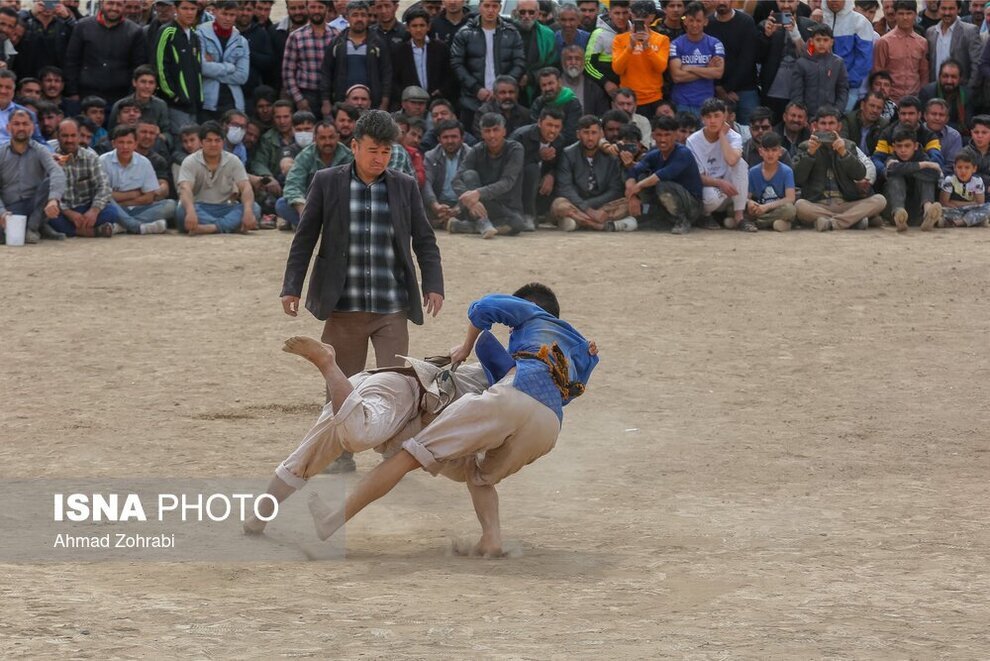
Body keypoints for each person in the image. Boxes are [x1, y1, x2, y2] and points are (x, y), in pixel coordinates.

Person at [304, 283, 599, 557]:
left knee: (409, 455)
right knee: (480, 475)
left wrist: (465, 347)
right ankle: (492, 539)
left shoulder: (533, 313)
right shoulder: (581, 347)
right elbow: (570, 392)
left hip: (515, 394)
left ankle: (331, 522)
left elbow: (481, 307)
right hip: (548, 427)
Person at [281, 110, 443, 473]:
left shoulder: (403, 185)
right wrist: (291, 286)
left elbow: (425, 239)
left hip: (391, 305)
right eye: (372, 150)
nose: (379, 159)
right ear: (353, 146)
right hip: (343, 306)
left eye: (386, 152)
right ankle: (340, 452)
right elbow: (304, 237)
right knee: (341, 380)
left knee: (398, 384)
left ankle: (393, 452)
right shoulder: (326, 181)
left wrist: (433, 283)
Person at [239, 338, 488, 537]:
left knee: (306, 456)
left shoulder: (491, 395)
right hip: (404, 393)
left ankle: (258, 519)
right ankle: (327, 364)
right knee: (358, 435)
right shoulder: (502, 384)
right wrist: (467, 344)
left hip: (369, 391)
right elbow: (487, 310)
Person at [794, 105, 888, 231]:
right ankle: (853, 220)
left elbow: (860, 174)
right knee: (800, 206)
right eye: (823, 123)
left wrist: (843, 153)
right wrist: (810, 154)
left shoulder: (848, 146)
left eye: (831, 123)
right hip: (818, 203)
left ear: (839, 126)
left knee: (880, 200)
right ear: (815, 126)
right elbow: (797, 179)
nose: (827, 128)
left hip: (846, 202)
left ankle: (833, 223)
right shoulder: (806, 146)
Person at [550, 114, 635, 232]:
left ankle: (578, 222)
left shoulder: (611, 157)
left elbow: (614, 190)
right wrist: (589, 210)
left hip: (600, 205)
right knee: (559, 204)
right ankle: (599, 226)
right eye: (586, 133)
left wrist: (590, 207)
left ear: (601, 134)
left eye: (594, 133)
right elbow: (565, 188)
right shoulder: (568, 154)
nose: (590, 138)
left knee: (628, 203)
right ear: (578, 134)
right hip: (575, 203)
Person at [449, 0, 525, 131]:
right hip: (472, 100)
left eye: (494, 6)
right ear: (480, 7)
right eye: (487, 6)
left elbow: (519, 62)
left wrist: (503, 88)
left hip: (504, 101)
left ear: (500, 8)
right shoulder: (465, 33)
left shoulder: (512, 33)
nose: (490, 10)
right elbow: (456, 64)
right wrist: (476, 89)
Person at [176, 120, 260, 234]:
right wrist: (190, 211)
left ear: (223, 142)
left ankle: (210, 228)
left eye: (217, 140)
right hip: (198, 207)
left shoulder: (233, 160)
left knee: (254, 208)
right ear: (201, 142)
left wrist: (248, 211)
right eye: (209, 140)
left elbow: (246, 187)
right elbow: (185, 188)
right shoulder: (190, 161)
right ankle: (229, 226)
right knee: (182, 211)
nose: (213, 144)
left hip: (225, 207)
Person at [449, 112, 525, 238]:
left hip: (505, 205)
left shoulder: (515, 149)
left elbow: (507, 182)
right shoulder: (476, 150)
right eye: (487, 131)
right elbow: (456, 180)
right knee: (469, 175)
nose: (492, 135)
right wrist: (471, 201)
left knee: (517, 224)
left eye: (496, 130)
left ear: (504, 131)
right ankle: (483, 223)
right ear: (482, 133)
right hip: (479, 205)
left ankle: (467, 226)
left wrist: (478, 193)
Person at [625, 114, 704, 234]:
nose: (663, 139)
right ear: (653, 136)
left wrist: (637, 187)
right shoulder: (654, 154)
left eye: (667, 135)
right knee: (642, 178)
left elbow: (662, 175)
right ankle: (657, 217)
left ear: (676, 135)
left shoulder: (683, 153)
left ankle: (682, 220)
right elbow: (634, 171)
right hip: (667, 200)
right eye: (659, 135)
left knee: (661, 185)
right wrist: (632, 195)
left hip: (692, 206)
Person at [64, 0, 147, 109]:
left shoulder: (135, 31)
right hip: (85, 95)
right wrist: (72, 92)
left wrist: (131, 97)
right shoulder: (82, 26)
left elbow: (137, 67)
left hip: (119, 98)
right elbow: (72, 61)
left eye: (119, 4)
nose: (114, 8)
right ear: (102, 3)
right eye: (110, 3)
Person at [0, 108, 65, 244]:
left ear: (32, 128)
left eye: (25, 124)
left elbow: (56, 171)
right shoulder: (1, 153)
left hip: (35, 205)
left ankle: (32, 228)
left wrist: (54, 199)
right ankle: (40, 227)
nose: (21, 128)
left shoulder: (41, 150)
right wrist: (1, 212)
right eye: (16, 124)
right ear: (8, 127)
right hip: (10, 208)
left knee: (50, 182)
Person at [276, 119, 354, 229]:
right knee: (282, 204)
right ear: (315, 139)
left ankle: (309, 227)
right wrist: (301, 208)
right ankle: (317, 226)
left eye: (331, 137)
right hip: (311, 206)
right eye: (322, 138)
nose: (327, 142)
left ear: (337, 137)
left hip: (338, 206)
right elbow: (293, 185)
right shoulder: (305, 156)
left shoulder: (348, 156)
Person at [49, 118, 118, 239]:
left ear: (79, 136)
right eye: (65, 136)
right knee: (50, 217)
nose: (69, 140)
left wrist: (94, 211)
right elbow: (47, 192)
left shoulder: (90, 157)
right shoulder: (49, 158)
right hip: (63, 210)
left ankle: (74, 230)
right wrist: (68, 213)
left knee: (111, 212)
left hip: (87, 207)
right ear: (58, 137)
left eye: (73, 135)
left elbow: (104, 186)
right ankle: (90, 232)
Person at [101, 125, 176, 234]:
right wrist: (133, 194)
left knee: (171, 205)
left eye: (129, 143)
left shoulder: (144, 162)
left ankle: (122, 225)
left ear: (135, 144)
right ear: (113, 144)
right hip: (113, 207)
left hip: (138, 208)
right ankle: (137, 227)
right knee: (104, 203)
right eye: (121, 142)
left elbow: (149, 197)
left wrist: (122, 202)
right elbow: (104, 195)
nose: (125, 147)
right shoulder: (103, 161)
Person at [320, 0, 392, 114]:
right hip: (342, 103)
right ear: (347, 17)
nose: (359, 19)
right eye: (355, 15)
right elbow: (326, 73)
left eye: (363, 15)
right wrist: (326, 101)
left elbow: (386, 74)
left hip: (372, 105)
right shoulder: (337, 43)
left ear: (368, 17)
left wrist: (384, 102)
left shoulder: (378, 44)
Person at [686, 98, 748, 230]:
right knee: (710, 198)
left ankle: (739, 216)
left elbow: (732, 160)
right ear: (702, 119)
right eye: (708, 116)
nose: (712, 121)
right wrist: (720, 183)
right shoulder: (693, 141)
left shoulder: (734, 136)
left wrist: (722, 136)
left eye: (716, 116)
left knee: (741, 164)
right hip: (710, 188)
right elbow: (698, 177)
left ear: (724, 116)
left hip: (729, 187)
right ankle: (705, 216)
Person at [154, 0, 204, 140]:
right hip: (176, 105)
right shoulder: (167, 31)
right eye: (185, 8)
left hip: (193, 104)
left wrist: (199, 97)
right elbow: (160, 66)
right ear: (176, 9)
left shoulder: (194, 35)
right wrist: (173, 95)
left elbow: (197, 70)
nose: (189, 12)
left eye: (193, 9)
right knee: (180, 144)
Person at [610, 0, 669, 118]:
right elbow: (617, 69)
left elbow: (661, 67)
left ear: (652, 17)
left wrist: (647, 47)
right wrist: (630, 47)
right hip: (628, 100)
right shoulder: (619, 39)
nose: (641, 20)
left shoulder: (662, 39)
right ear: (631, 15)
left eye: (645, 16)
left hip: (654, 98)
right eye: (637, 16)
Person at [704, 0, 760, 123]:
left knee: (752, 129)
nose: (721, 2)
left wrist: (726, 89)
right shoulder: (707, 23)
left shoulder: (746, 22)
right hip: (715, 90)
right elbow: (707, 59)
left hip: (745, 88)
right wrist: (719, 88)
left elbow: (748, 59)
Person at [510, 107, 566, 228]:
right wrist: (538, 156)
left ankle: (547, 214)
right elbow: (510, 166)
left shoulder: (560, 141)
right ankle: (527, 215)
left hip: (542, 189)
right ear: (540, 123)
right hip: (518, 186)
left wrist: (552, 175)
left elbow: (561, 165)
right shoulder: (521, 136)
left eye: (557, 127)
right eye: (549, 125)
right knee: (532, 169)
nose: (552, 130)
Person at [667, 1, 724, 117]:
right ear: (685, 22)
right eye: (691, 20)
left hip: (707, 104)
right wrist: (707, 69)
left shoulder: (716, 44)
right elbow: (677, 77)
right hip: (681, 103)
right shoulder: (675, 44)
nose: (694, 24)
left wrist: (690, 67)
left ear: (705, 22)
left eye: (698, 21)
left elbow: (718, 73)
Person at [882, 126, 945, 230]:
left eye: (907, 146)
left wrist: (903, 169)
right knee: (896, 178)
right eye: (899, 146)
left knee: (926, 178)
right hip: (893, 208)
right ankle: (899, 214)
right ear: (894, 147)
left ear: (915, 146)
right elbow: (891, 171)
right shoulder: (892, 158)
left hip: (917, 208)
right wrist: (924, 165)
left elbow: (935, 174)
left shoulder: (922, 156)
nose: (903, 150)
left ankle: (928, 211)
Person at [281, 0, 337, 117]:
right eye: (313, 7)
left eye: (320, 7)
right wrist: (299, 99)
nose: (316, 11)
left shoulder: (336, 35)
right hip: (306, 95)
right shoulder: (296, 37)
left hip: (332, 95)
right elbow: (288, 72)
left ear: (327, 9)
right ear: (307, 8)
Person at [390, 7, 452, 108]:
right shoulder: (399, 51)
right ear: (408, 28)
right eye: (414, 26)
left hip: (436, 102)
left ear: (428, 27)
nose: (418, 30)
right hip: (410, 104)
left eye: (422, 25)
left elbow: (450, 75)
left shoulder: (440, 48)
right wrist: (405, 97)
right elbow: (394, 80)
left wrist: (441, 91)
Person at [198, 0, 249, 119]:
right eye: (224, 14)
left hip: (233, 102)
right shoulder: (201, 34)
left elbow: (242, 76)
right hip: (207, 102)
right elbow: (201, 67)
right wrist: (230, 67)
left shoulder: (241, 42)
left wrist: (213, 69)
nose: (228, 19)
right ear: (215, 12)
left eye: (232, 15)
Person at [872, 0, 929, 101]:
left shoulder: (922, 43)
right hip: (890, 99)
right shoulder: (884, 42)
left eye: (909, 13)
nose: (905, 17)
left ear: (915, 15)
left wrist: (922, 97)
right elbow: (878, 73)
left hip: (915, 99)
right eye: (901, 14)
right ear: (895, 15)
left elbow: (924, 73)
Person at [822, 0, 875, 108]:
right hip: (821, 85)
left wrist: (849, 81)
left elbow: (865, 59)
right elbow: (810, 52)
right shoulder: (818, 20)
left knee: (842, 120)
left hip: (849, 87)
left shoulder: (860, 22)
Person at [792, 24, 850, 117]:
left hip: (830, 116)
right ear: (811, 41)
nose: (822, 43)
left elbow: (842, 89)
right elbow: (797, 93)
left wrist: (837, 111)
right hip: (807, 116)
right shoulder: (801, 63)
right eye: (818, 40)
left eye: (825, 40)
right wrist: (801, 115)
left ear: (831, 42)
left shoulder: (837, 63)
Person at [744, 132, 797, 231]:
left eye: (774, 150)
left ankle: (756, 223)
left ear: (780, 152)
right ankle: (776, 224)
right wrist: (750, 203)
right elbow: (746, 197)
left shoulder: (787, 171)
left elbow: (790, 198)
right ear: (760, 152)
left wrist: (766, 207)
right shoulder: (753, 171)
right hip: (759, 208)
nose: (770, 154)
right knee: (735, 208)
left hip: (777, 208)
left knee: (790, 210)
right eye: (767, 150)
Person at [422, 118, 469, 227]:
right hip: (438, 203)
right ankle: (446, 222)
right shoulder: (430, 156)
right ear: (439, 139)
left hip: (462, 204)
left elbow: (473, 186)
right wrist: (435, 205)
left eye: (454, 137)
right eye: (445, 137)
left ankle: (446, 222)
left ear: (462, 138)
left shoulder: (470, 154)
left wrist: (457, 209)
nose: (450, 141)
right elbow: (427, 183)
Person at [925, 0, 983, 86]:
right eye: (944, 8)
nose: (947, 12)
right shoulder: (931, 32)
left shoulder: (970, 31)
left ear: (958, 10)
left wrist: (969, 91)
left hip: (961, 91)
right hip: (937, 91)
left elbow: (977, 65)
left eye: (951, 9)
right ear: (938, 9)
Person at [584, 0, 630, 99]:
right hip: (605, 92)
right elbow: (587, 64)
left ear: (629, 12)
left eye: (625, 13)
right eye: (617, 13)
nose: (621, 17)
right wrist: (605, 82)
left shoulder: (634, 32)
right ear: (609, 13)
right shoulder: (599, 34)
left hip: (630, 91)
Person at [109, 65, 171, 138]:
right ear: (134, 82)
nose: (147, 86)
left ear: (155, 86)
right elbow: (111, 133)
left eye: (151, 83)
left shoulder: (161, 105)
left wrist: (158, 134)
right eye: (143, 82)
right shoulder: (120, 105)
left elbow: (168, 135)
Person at [514, 0, 557, 103]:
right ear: (516, 13)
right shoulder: (507, 32)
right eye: (522, 12)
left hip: (538, 91)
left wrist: (530, 77)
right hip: (509, 88)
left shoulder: (548, 35)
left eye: (531, 12)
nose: (527, 16)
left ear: (538, 13)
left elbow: (553, 65)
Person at [936, 148, 990, 226]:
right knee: (941, 210)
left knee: (988, 207)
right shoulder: (949, 180)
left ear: (974, 169)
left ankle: (959, 223)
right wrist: (971, 203)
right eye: (959, 167)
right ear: (954, 168)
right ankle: (975, 221)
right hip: (954, 210)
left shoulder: (977, 181)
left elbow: (980, 203)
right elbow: (944, 202)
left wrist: (954, 202)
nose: (963, 171)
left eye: (967, 167)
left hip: (971, 210)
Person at [920, 59, 974, 134]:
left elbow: (968, 124)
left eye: (953, 77)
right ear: (939, 77)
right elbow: (923, 121)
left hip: (958, 134)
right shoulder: (928, 92)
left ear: (960, 79)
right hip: (931, 134)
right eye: (945, 76)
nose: (949, 81)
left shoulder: (967, 94)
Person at [528, 67, 582, 139]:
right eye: (544, 85)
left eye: (550, 83)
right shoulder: (538, 102)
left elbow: (571, 133)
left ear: (559, 82)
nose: (547, 88)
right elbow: (534, 127)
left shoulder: (573, 103)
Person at [560, 44, 611, 118]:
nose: (573, 62)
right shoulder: (553, 85)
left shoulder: (594, 89)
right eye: (569, 59)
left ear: (583, 62)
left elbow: (602, 116)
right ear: (562, 62)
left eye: (577, 59)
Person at [236, 0, 276, 93]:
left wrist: (247, 52)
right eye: (241, 9)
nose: (245, 13)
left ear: (253, 11)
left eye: (249, 10)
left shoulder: (262, 33)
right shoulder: (228, 31)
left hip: (252, 91)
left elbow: (269, 62)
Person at [842, 90, 889, 155]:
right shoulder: (848, 120)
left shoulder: (884, 125)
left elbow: (882, 152)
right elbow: (843, 144)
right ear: (862, 105)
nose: (875, 110)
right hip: (851, 159)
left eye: (879, 108)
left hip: (873, 161)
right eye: (872, 106)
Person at [924, 97, 964, 172]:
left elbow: (952, 166)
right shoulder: (915, 132)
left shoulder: (954, 136)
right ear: (925, 116)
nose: (937, 118)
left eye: (941, 115)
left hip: (945, 177)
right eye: (933, 114)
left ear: (947, 119)